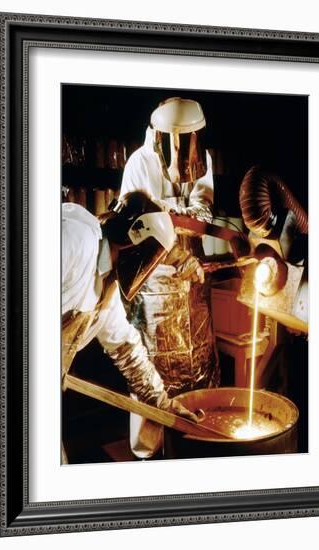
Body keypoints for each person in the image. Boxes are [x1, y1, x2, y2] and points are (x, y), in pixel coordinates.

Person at [61, 190, 198, 463]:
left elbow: (126, 348)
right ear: (136, 245)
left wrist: (163, 403)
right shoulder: (75, 241)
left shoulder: (105, 287)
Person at [120, 97, 220, 458]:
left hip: (192, 280)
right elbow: (138, 225)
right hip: (155, 283)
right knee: (154, 372)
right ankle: (148, 456)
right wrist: (175, 221)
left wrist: (170, 215)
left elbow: (203, 210)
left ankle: (198, 444)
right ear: (162, 138)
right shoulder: (139, 163)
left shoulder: (203, 159)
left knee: (199, 364)